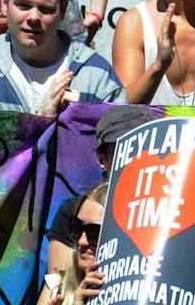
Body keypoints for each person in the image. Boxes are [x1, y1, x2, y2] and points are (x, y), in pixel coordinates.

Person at [42, 105, 155, 280]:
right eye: (126, 151)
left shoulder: (171, 214)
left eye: (147, 151)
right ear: (102, 160)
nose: (137, 161)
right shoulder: (75, 213)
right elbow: (57, 287)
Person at [40, 182, 108, 305]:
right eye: (77, 227)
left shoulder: (137, 291)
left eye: (94, 233)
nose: (82, 241)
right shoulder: (57, 288)